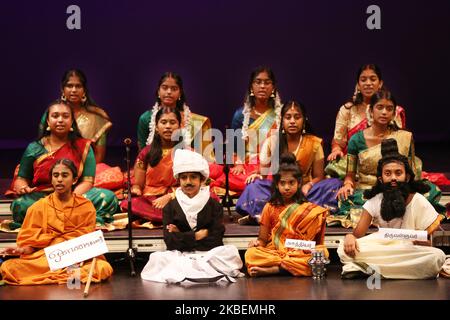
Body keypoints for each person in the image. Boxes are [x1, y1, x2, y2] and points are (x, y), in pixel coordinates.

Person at [333, 89, 444, 227]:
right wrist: (348, 184)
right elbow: (350, 175)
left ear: (393, 113)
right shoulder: (356, 140)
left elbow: (411, 172)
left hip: (399, 188)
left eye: (389, 108)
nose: (384, 112)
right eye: (380, 107)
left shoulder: (405, 137)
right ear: (371, 110)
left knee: (430, 191)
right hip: (369, 189)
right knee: (347, 199)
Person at [338, 139, 446, 279]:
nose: (393, 178)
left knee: (437, 256)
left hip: (408, 251)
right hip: (384, 249)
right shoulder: (375, 201)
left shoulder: (418, 200)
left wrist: (425, 243)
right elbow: (357, 235)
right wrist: (349, 237)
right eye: (388, 174)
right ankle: (391, 270)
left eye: (398, 173)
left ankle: (368, 268)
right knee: (343, 249)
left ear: (406, 177)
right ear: (381, 179)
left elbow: (429, 244)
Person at [8, 101, 119, 230]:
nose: (60, 120)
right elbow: (21, 179)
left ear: (72, 121)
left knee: (108, 197)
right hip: (44, 197)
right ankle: (74, 220)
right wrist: (23, 187)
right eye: (55, 116)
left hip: (75, 195)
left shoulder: (84, 146)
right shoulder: (34, 148)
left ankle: (54, 220)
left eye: (65, 116)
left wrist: (69, 200)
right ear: (48, 122)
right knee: (20, 205)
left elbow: (87, 182)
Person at [0, 159, 113, 285]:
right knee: (8, 267)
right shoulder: (38, 207)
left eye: (65, 175)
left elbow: (88, 242)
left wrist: (77, 257)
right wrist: (21, 250)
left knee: (103, 267)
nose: (59, 179)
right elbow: (31, 243)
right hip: (48, 258)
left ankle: (69, 274)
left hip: (77, 257)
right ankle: (70, 276)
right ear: (51, 180)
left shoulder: (86, 206)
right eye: (55, 175)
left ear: (74, 180)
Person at [140, 149, 243, 284]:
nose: (188, 182)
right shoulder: (170, 207)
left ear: (201, 179)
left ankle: (193, 269)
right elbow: (170, 241)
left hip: (208, 253)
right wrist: (196, 235)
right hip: (179, 254)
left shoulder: (214, 205)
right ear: (179, 180)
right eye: (184, 177)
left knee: (230, 252)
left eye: (193, 177)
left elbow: (216, 238)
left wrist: (181, 234)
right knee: (158, 258)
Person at [236, 100, 340, 224]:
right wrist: (258, 175)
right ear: (282, 120)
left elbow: (319, 176)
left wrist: (309, 185)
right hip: (279, 190)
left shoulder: (314, 143)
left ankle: (273, 213)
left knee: (335, 184)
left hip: (304, 191)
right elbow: (264, 173)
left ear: (304, 120)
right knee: (254, 186)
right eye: (288, 117)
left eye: (297, 117)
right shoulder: (272, 141)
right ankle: (302, 213)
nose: (292, 121)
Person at [244, 153, 329, 277]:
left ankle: (276, 269)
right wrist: (256, 244)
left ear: (299, 183)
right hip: (275, 251)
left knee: (323, 252)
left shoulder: (308, 209)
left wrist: (297, 249)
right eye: (282, 183)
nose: (287, 187)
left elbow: (314, 244)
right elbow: (262, 240)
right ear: (277, 185)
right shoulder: (270, 207)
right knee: (251, 253)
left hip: (299, 252)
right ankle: (287, 267)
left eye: (291, 183)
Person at [37, 69, 122, 191]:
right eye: (69, 86)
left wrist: (81, 172)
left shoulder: (97, 117)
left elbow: (99, 156)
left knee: (110, 174)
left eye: (78, 86)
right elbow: (41, 147)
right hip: (54, 170)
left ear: (84, 90)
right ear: (62, 89)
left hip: (85, 172)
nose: (73, 90)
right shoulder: (52, 113)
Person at [210, 66, 282, 194]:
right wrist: (238, 164)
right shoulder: (240, 114)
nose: (262, 86)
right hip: (248, 164)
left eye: (267, 82)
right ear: (251, 87)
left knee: (275, 178)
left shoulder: (281, 114)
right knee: (230, 178)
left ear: (273, 87)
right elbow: (233, 146)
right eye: (258, 82)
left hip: (271, 164)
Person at [326, 64, 406, 179]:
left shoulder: (394, 110)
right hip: (354, 163)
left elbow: (400, 143)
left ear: (380, 83)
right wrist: (336, 150)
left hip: (386, 162)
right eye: (363, 80)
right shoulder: (347, 110)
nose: (368, 83)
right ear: (358, 85)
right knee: (331, 173)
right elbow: (338, 141)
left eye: (373, 79)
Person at [119, 107, 183, 224]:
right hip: (152, 200)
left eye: (172, 122)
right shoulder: (146, 153)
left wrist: (170, 196)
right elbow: (138, 184)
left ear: (179, 127)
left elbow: (194, 185)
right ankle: (168, 217)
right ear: (157, 128)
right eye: (163, 122)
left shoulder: (188, 153)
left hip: (178, 197)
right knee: (130, 204)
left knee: (208, 198)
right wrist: (136, 189)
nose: (168, 126)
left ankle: (159, 217)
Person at [137, 72, 213, 160]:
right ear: (158, 91)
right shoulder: (146, 119)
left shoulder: (195, 121)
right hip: (153, 168)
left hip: (187, 169)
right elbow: (142, 156)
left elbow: (205, 158)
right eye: (164, 88)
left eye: (174, 88)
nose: (169, 92)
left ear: (180, 93)